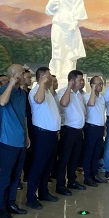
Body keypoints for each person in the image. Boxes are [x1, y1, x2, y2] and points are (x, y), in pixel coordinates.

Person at [0, 64, 29, 218]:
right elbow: (2, 102)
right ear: (14, 75)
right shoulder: (2, 90)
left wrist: (27, 136)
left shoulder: (22, 93)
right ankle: (0, 208)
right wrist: (11, 84)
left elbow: (24, 116)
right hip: (8, 140)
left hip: (21, 140)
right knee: (5, 176)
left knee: (16, 175)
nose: (25, 75)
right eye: (22, 73)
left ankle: (11, 203)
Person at [25, 67, 61, 209]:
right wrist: (41, 83)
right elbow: (38, 101)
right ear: (41, 77)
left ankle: (43, 192)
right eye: (48, 75)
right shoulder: (36, 91)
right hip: (41, 134)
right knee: (38, 165)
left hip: (52, 134)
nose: (51, 78)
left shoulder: (48, 92)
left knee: (48, 165)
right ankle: (31, 197)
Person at [45, 0, 87, 82]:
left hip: (70, 25)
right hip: (58, 22)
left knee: (70, 49)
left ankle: (67, 74)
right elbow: (48, 10)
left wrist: (74, 23)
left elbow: (79, 9)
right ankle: (56, 74)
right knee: (57, 46)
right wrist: (53, 5)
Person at [55, 70, 87, 196]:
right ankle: (60, 185)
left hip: (78, 131)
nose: (82, 82)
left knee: (75, 157)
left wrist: (81, 129)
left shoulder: (79, 94)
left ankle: (72, 181)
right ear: (72, 81)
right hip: (67, 130)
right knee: (64, 158)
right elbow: (63, 103)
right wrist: (69, 87)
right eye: (80, 80)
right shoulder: (63, 92)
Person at [82, 76, 108, 186]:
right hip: (91, 128)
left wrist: (104, 128)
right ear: (92, 85)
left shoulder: (102, 98)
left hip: (99, 128)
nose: (100, 86)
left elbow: (102, 114)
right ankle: (87, 177)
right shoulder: (87, 96)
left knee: (96, 153)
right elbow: (91, 103)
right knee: (89, 153)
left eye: (101, 84)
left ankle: (95, 175)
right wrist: (93, 90)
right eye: (97, 84)